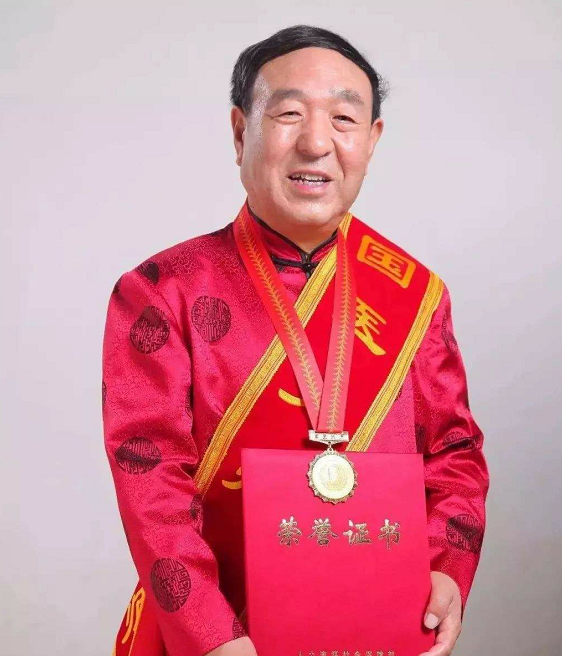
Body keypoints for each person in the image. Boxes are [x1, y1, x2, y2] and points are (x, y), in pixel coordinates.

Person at [102, 25, 489, 656]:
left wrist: (448, 569)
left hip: (376, 628)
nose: (316, 142)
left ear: (372, 140)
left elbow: (455, 453)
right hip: (217, 636)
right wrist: (213, 638)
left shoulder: (416, 295)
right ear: (240, 133)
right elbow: (152, 482)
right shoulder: (162, 290)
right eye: (288, 114)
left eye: (343, 118)